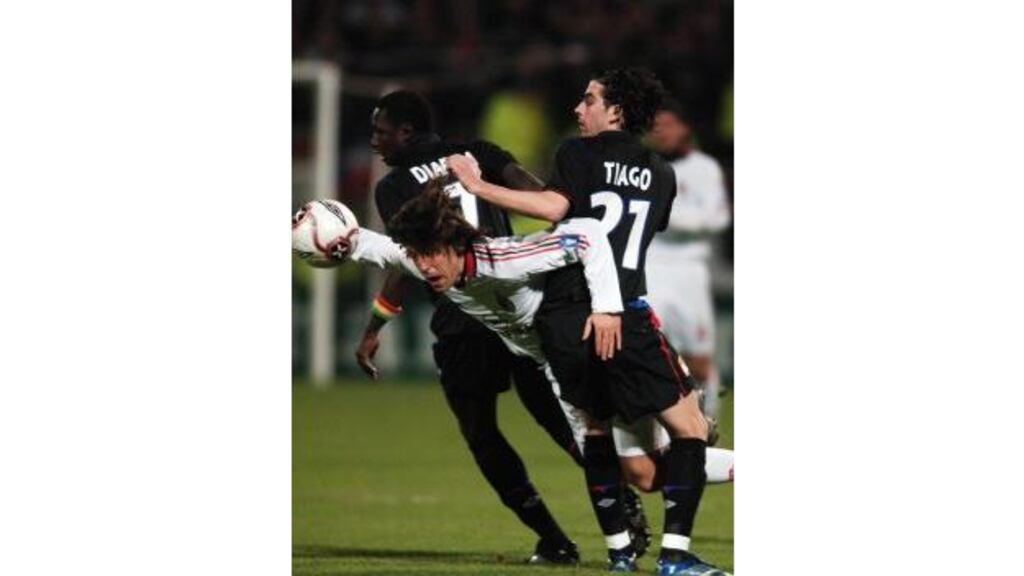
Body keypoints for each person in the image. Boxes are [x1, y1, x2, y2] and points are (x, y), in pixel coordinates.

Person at [447, 69, 727, 575]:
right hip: (618, 312)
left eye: (589, 100)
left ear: (616, 109)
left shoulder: (576, 155)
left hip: (562, 316)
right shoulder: (662, 173)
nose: (579, 109)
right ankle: (676, 557)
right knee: (690, 430)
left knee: (595, 432)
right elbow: (637, 232)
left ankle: (620, 553)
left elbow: (556, 207)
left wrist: (476, 185)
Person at [356, 90, 648, 564]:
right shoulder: (481, 152)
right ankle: (622, 505)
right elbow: (537, 192)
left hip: (464, 312)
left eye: (380, 131)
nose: (374, 141)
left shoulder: (392, 187)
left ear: (406, 132)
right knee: (562, 418)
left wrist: (375, 323)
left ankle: (553, 539)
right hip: (519, 291)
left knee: (481, 430)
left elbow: (413, 256)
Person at [646, 98, 731, 421]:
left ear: (684, 128)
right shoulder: (643, 167)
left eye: (667, 125)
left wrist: (666, 217)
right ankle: (663, 430)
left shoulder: (703, 168)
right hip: (650, 268)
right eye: (655, 127)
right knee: (652, 352)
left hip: (689, 271)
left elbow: (718, 218)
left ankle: (707, 424)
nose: (661, 132)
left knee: (698, 359)